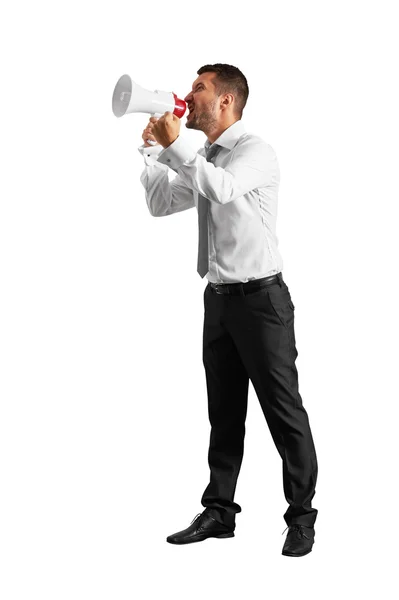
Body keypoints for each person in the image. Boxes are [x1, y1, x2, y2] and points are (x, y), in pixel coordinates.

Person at [137, 63, 318, 557]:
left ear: (225, 103)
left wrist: (177, 147)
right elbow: (160, 203)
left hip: (262, 302)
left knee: (283, 412)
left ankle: (301, 517)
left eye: (199, 88)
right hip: (217, 301)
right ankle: (220, 512)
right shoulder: (206, 157)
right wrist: (154, 149)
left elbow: (220, 187)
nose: (188, 95)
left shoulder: (255, 152)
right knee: (224, 412)